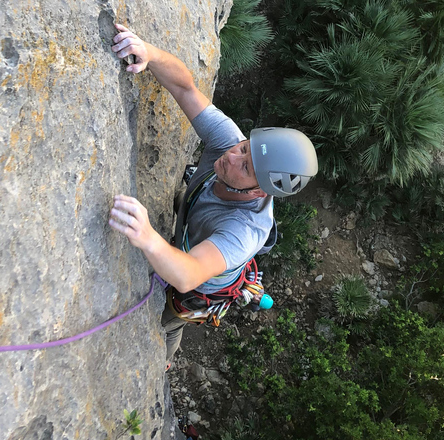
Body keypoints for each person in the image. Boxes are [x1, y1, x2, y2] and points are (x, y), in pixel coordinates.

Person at [107, 24, 317, 369]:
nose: (232, 157)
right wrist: (149, 53)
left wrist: (148, 237)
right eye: (245, 147)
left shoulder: (243, 230)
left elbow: (188, 275)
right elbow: (184, 86)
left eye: (245, 166)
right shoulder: (230, 144)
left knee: (173, 317)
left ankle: (165, 359)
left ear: (260, 191)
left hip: (200, 284)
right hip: (192, 229)